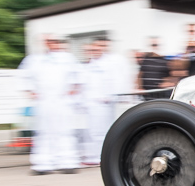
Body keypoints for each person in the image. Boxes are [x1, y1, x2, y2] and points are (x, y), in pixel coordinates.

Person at [19, 35, 84, 174]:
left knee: (65, 131)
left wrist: (73, 91)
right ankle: (42, 164)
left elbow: (79, 76)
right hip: (44, 101)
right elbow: (24, 76)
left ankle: (68, 162)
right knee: (43, 132)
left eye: (54, 41)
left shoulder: (68, 59)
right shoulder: (34, 59)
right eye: (49, 42)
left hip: (62, 101)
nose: (52, 44)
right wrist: (31, 92)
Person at [80, 38, 131, 166]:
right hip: (91, 104)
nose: (94, 51)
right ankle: (93, 156)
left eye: (97, 49)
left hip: (104, 104)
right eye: (93, 49)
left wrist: (109, 97)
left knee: (102, 132)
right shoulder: (89, 66)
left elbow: (115, 82)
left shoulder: (109, 64)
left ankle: (102, 156)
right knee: (91, 131)